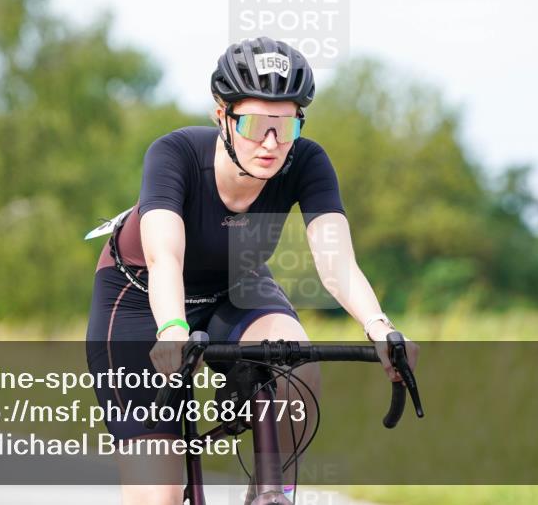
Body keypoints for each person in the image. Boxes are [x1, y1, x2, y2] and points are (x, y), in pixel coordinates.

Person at [85, 37, 418, 505]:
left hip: (236, 284)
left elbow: (337, 262)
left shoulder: (306, 162)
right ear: (221, 115)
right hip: (141, 297)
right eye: (255, 123)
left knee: (295, 362)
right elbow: (165, 257)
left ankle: (270, 493)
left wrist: (379, 327)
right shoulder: (174, 154)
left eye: (285, 126)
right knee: (156, 495)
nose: (271, 142)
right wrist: (173, 328)